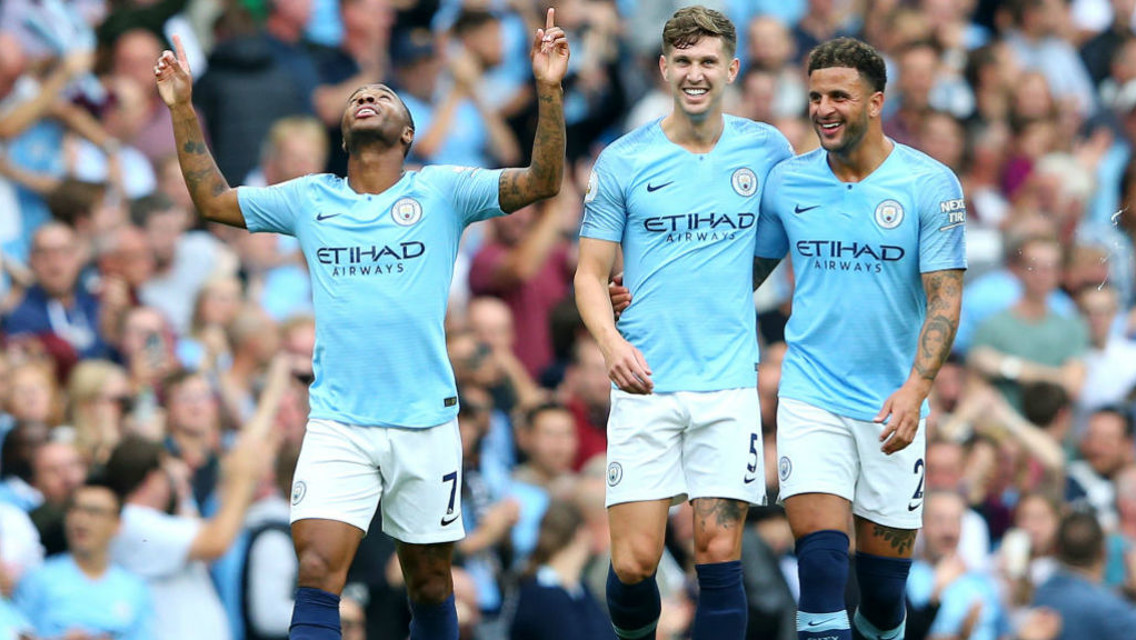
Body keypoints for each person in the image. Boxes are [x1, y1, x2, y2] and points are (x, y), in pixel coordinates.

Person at [153, 6, 569, 638]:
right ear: (345, 135)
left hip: (425, 419)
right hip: (338, 420)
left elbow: (543, 181)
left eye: (383, 94)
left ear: (407, 134)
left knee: (429, 581)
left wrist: (547, 89)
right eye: (358, 96)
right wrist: (183, 105)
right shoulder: (309, 197)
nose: (368, 96)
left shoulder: (443, 190)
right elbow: (213, 201)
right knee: (318, 567)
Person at [574, 6, 794, 640]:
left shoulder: (767, 150)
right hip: (645, 380)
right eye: (684, 62)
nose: (696, 74)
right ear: (664, 68)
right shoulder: (624, 160)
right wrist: (611, 342)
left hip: (727, 383)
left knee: (720, 556)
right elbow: (590, 275)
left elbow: (780, 237)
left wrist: (728, 287)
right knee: (635, 563)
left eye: (708, 62)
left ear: (731, 69)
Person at [751, 38, 966, 640]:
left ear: (875, 102)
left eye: (838, 96)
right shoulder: (788, 183)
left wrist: (916, 389)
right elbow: (744, 277)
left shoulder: (929, 183)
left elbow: (945, 300)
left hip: (892, 406)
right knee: (820, 568)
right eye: (815, 96)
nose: (823, 108)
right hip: (809, 393)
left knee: (882, 594)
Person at [14, 475, 153, 640]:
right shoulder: (38, 580)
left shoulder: (134, 589)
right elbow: (15, 633)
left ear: (117, 524)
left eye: (94, 512)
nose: (81, 520)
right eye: (75, 509)